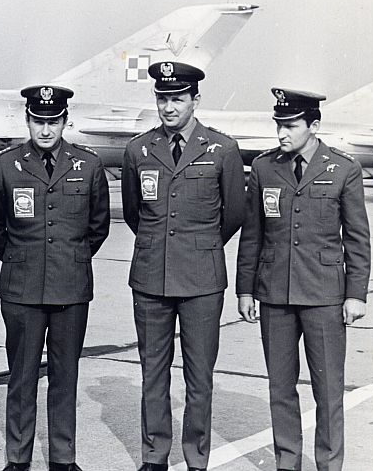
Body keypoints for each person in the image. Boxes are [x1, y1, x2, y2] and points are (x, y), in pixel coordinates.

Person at [236, 88, 371, 471]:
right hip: (274, 293)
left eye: (291, 126)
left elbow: (357, 237)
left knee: (328, 391)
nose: (282, 133)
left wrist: (356, 294)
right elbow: (252, 233)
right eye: (278, 124)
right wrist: (245, 289)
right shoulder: (264, 167)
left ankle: (329, 464)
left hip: (324, 295)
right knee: (280, 387)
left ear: (314, 126)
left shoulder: (342, 168)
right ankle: (287, 463)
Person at [0, 85, 110, 471]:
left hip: (71, 288)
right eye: (39, 121)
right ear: (27, 120)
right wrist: (20, 259)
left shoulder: (88, 164)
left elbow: (98, 226)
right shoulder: (6, 164)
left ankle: (63, 459)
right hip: (22, 290)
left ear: (65, 120)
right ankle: (18, 459)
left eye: (53, 121)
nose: (46, 129)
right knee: (21, 378)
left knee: (65, 377)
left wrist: (69, 259)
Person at [121, 62, 245, 471]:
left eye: (177, 99)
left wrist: (198, 247)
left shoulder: (222, 149)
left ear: (195, 99)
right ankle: (154, 456)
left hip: (202, 281)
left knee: (199, 376)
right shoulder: (138, 150)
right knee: (153, 372)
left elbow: (233, 214)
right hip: (151, 279)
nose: (169, 107)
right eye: (163, 99)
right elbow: (135, 213)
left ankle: (196, 458)